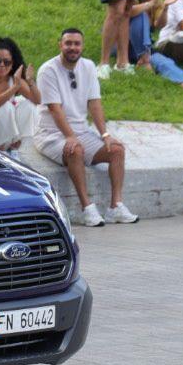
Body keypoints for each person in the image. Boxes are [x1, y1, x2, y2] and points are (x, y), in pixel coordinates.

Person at [31, 28, 137, 227]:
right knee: (75, 150)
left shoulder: (88, 66)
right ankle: (87, 208)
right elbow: (55, 109)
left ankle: (116, 207)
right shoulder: (48, 70)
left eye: (76, 44)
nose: (73, 47)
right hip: (51, 133)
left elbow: (94, 103)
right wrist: (70, 137)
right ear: (60, 45)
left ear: (83, 46)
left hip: (81, 131)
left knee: (116, 150)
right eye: (68, 43)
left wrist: (105, 134)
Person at [0, 38, 40, 152]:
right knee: (5, 107)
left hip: (11, 137)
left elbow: (37, 101)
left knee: (28, 105)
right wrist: (14, 88)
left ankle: (20, 148)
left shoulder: (13, 80)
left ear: (12, 65)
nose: (2, 65)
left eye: (7, 62)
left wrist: (30, 81)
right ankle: (0, 153)